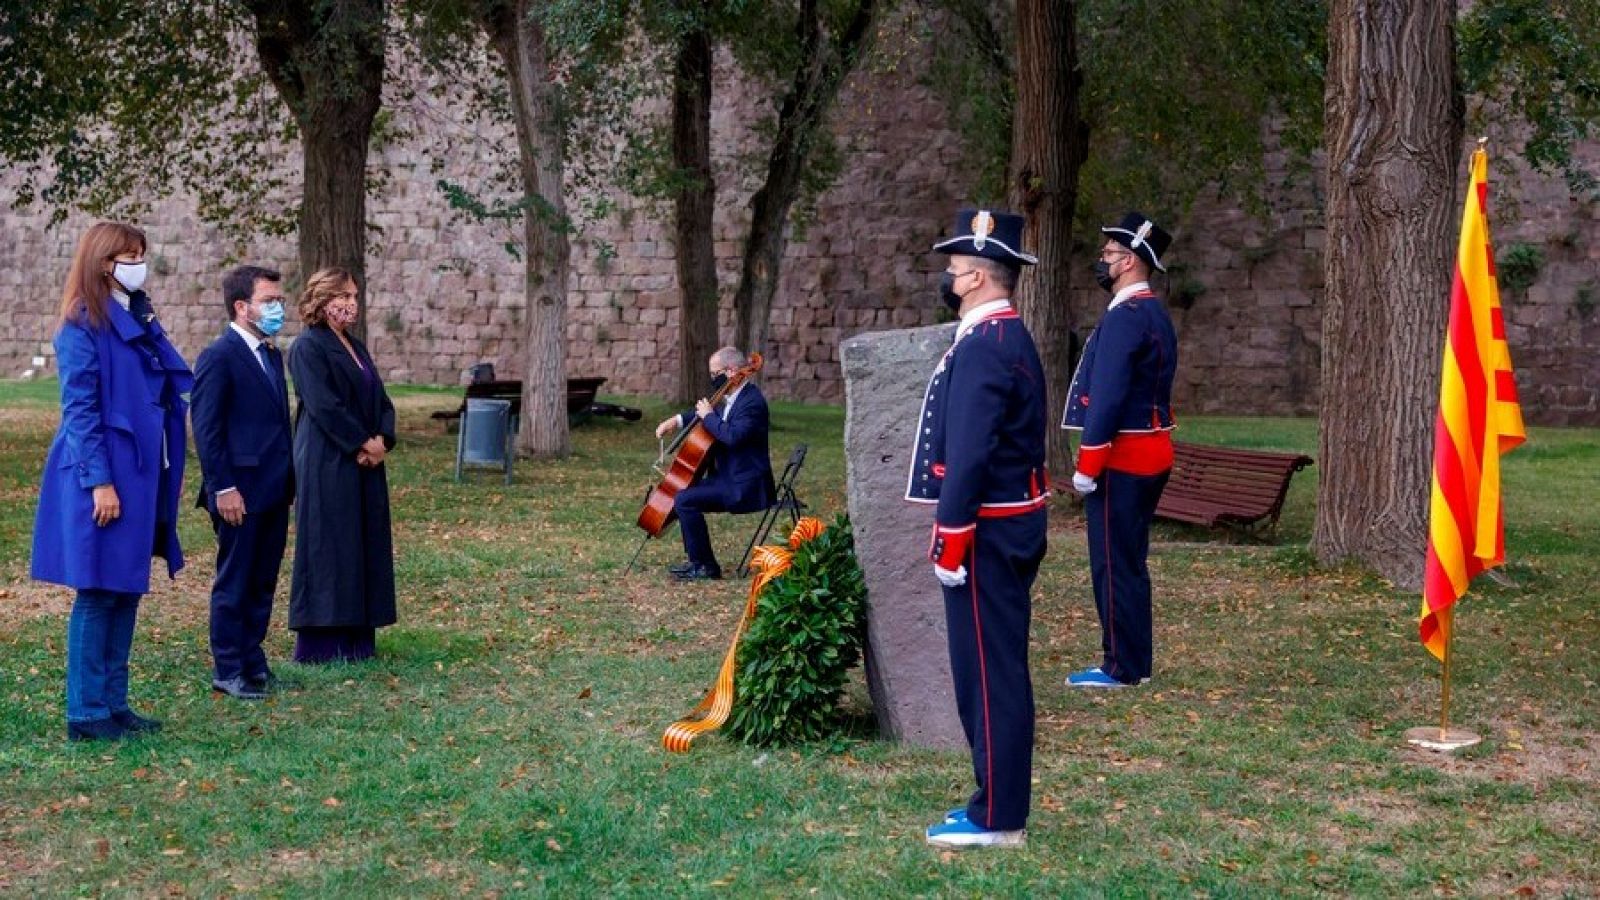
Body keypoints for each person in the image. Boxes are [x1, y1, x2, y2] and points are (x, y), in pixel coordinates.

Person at [910, 208, 1050, 849]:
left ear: (974, 279)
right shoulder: (1001, 337)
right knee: (994, 670)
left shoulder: (988, 345)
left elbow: (969, 452)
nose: (946, 276)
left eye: (952, 269)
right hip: (1004, 525)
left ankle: (998, 816)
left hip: (987, 533)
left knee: (987, 676)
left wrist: (953, 534)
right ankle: (997, 802)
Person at [31, 222, 193, 742]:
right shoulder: (81, 324)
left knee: (126, 589)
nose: (138, 264)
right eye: (130, 255)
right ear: (105, 262)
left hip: (138, 471)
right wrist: (99, 482)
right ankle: (85, 711)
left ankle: (114, 703)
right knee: (99, 592)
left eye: (141, 255)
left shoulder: (133, 317)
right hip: (101, 472)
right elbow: (80, 411)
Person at [1062, 211, 1178, 688]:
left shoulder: (1126, 318)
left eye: (1108, 254)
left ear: (1129, 262)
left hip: (1123, 459)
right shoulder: (1152, 312)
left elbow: (1107, 396)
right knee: (1129, 561)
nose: (1102, 260)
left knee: (1112, 563)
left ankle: (1120, 666)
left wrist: (1089, 462)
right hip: (1151, 453)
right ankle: (1136, 661)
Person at [191, 266, 294, 700]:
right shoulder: (219, 355)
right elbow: (207, 428)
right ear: (242, 306)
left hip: (273, 488)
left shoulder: (271, 354)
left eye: (278, 300)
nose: (277, 307)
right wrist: (223, 487)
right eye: (268, 300)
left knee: (262, 580)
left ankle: (253, 661)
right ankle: (228, 668)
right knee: (235, 581)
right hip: (238, 491)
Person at [286, 267, 397, 662]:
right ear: (320, 299)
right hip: (328, 461)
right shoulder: (308, 347)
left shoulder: (355, 345)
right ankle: (322, 644)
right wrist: (360, 442)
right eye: (341, 296)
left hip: (366, 463)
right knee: (330, 547)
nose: (349, 303)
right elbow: (323, 405)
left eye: (353, 296)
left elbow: (381, 397)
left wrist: (383, 439)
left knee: (361, 544)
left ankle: (358, 639)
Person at [651, 347, 775, 580]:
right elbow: (704, 410)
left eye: (714, 373)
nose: (712, 379)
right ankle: (699, 562)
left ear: (730, 372)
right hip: (727, 477)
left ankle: (705, 566)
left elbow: (732, 437)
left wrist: (709, 417)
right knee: (684, 496)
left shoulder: (753, 402)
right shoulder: (729, 395)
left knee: (684, 500)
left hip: (746, 485)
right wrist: (675, 421)